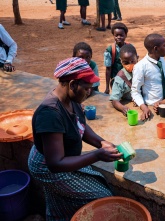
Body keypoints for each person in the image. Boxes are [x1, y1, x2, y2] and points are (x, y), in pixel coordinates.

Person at [28, 57, 123, 221]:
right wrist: (97, 155)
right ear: (72, 84)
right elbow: (56, 163)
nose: (89, 92)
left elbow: (81, 125)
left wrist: (101, 142)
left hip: (61, 157)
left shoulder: (72, 99)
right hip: (46, 166)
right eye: (87, 88)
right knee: (102, 196)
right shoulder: (50, 113)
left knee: (60, 202)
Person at [131, 33, 165, 121]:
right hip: (152, 108)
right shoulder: (141, 67)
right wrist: (144, 108)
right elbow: (135, 91)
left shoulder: (162, 60)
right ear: (156, 49)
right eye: (164, 45)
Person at [110, 44, 138, 116]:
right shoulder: (120, 78)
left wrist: (139, 98)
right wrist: (122, 108)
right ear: (121, 61)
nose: (130, 64)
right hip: (131, 109)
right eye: (126, 63)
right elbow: (114, 100)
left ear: (137, 58)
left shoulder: (142, 72)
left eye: (133, 61)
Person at [103, 22, 130, 94]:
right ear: (113, 36)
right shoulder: (110, 50)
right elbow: (108, 69)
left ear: (126, 35)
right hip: (116, 79)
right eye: (116, 35)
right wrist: (107, 88)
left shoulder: (130, 48)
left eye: (121, 35)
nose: (119, 37)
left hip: (129, 79)